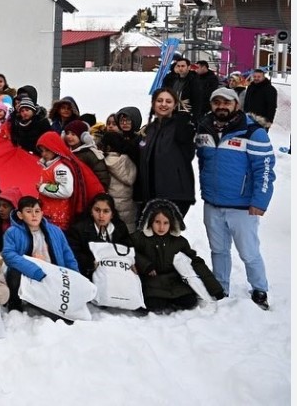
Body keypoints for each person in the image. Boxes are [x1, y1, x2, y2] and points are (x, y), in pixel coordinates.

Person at [196, 87, 276, 310]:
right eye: (216, 102)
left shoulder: (252, 132)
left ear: (236, 105)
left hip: (242, 206)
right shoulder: (204, 129)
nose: (221, 106)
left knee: (249, 251)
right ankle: (221, 287)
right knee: (218, 250)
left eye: (227, 102)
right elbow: (203, 162)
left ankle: (259, 289)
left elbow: (266, 169)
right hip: (213, 203)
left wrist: (260, 201)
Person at [131, 198, 226, 312]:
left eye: (165, 223)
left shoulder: (179, 242)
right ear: (150, 221)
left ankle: (171, 301)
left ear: (172, 223)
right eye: (157, 222)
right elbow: (127, 249)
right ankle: (162, 302)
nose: (161, 227)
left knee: (189, 301)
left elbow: (196, 263)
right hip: (152, 282)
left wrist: (215, 289)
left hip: (174, 282)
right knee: (154, 304)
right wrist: (145, 265)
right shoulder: (140, 238)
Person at [1, 196, 79, 314]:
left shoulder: (56, 231)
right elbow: (8, 255)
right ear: (20, 215)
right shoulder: (12, 232)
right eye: (28, 211)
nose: (34, 215)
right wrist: (34, 270)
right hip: (28, 275)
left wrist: (75, 277)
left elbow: (67, 255)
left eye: (37, 211)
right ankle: (15, 304)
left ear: (42, 213)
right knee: (13, 272)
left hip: (52, 275)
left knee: (58, 315)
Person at [137, 87, 197, 218]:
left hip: (175, 194)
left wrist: (184, 119)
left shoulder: (180, 126)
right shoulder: (150, 129)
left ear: (175, 105)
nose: (163, 104)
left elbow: (188, 152)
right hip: (151, 193)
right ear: (153, 103)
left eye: (168, 101)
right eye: (159, 100)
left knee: (167, 235)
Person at [65, 193, 133, 279]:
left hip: (116, 274)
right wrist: (90, 263)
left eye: (106, 211)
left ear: (112, 214)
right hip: (88, 275)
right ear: (91, 211)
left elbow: (128, 248)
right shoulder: (78, 229)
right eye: (97, 210)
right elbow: (73, 254)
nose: (101, 215)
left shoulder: (120, 228)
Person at [99, 132, 139, 232]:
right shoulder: (128, 160)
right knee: (129, 229)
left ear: (107, 147)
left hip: (113, 204)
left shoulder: (104, 162)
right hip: (129, 203)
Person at [63, 119, 111, 190]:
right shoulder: (65, 152)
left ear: (83, 137)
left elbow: (102, 177)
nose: (69, 137)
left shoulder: (90, 154)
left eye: (73, 134)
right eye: (67, 133)